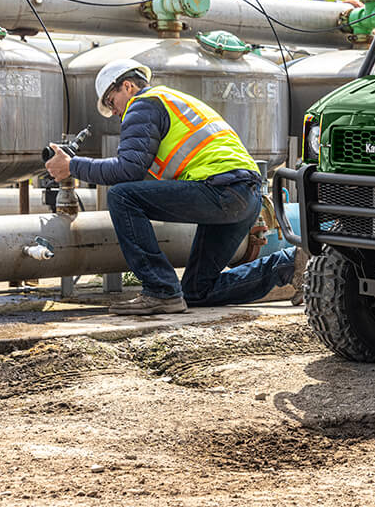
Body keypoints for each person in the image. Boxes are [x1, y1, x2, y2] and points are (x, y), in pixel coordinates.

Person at [45, 58, 301, 315]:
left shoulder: (143, 104)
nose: (114, 112)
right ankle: (292, 264)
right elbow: (146, 174)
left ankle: (160, 290)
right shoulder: (172, 100)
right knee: (197, 292)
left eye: (111, 102)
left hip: (221, 190)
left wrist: (73, 166)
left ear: (127, 87)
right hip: (246, 193)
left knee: (122, 197)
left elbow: (128, 169)